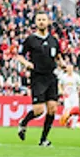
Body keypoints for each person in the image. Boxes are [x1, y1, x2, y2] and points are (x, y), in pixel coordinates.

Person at [16, 10, 63, 146]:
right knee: (38, 110)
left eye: (44, 19)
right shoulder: (31, 39)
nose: (41, 22)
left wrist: (63, 64)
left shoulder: (53, 40)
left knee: (52, 108)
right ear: (35, 22)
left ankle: (43, 139)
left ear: (48, 22)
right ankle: (24, 122)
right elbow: (19, 55)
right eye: (39, 20)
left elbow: (58, 57)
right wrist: (27, 64)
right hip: (38, 77)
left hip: (51, 76)